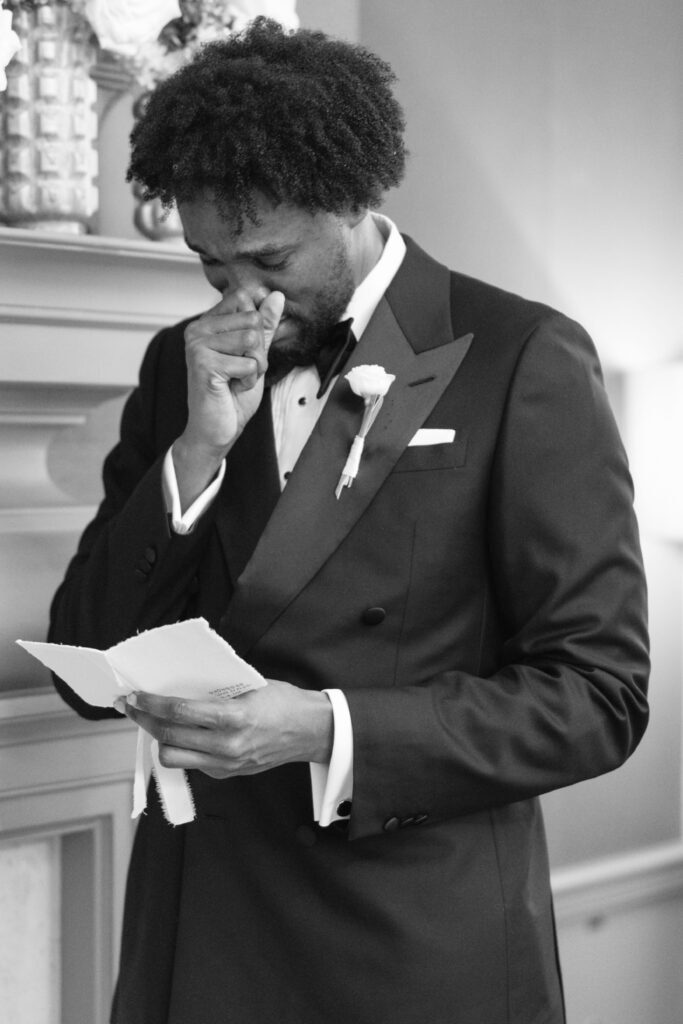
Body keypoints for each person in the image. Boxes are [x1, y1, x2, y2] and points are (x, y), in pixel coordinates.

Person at [49, 18, 649, 1024]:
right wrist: (194, 452)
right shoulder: (177, 366)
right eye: (209, 267)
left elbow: (597, 695)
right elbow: (87, 652)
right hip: (199, 929)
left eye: (267, 261)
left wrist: (325, 730)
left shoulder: (519, 357)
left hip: (406, 942)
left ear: (351, 201)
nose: (241, 300)